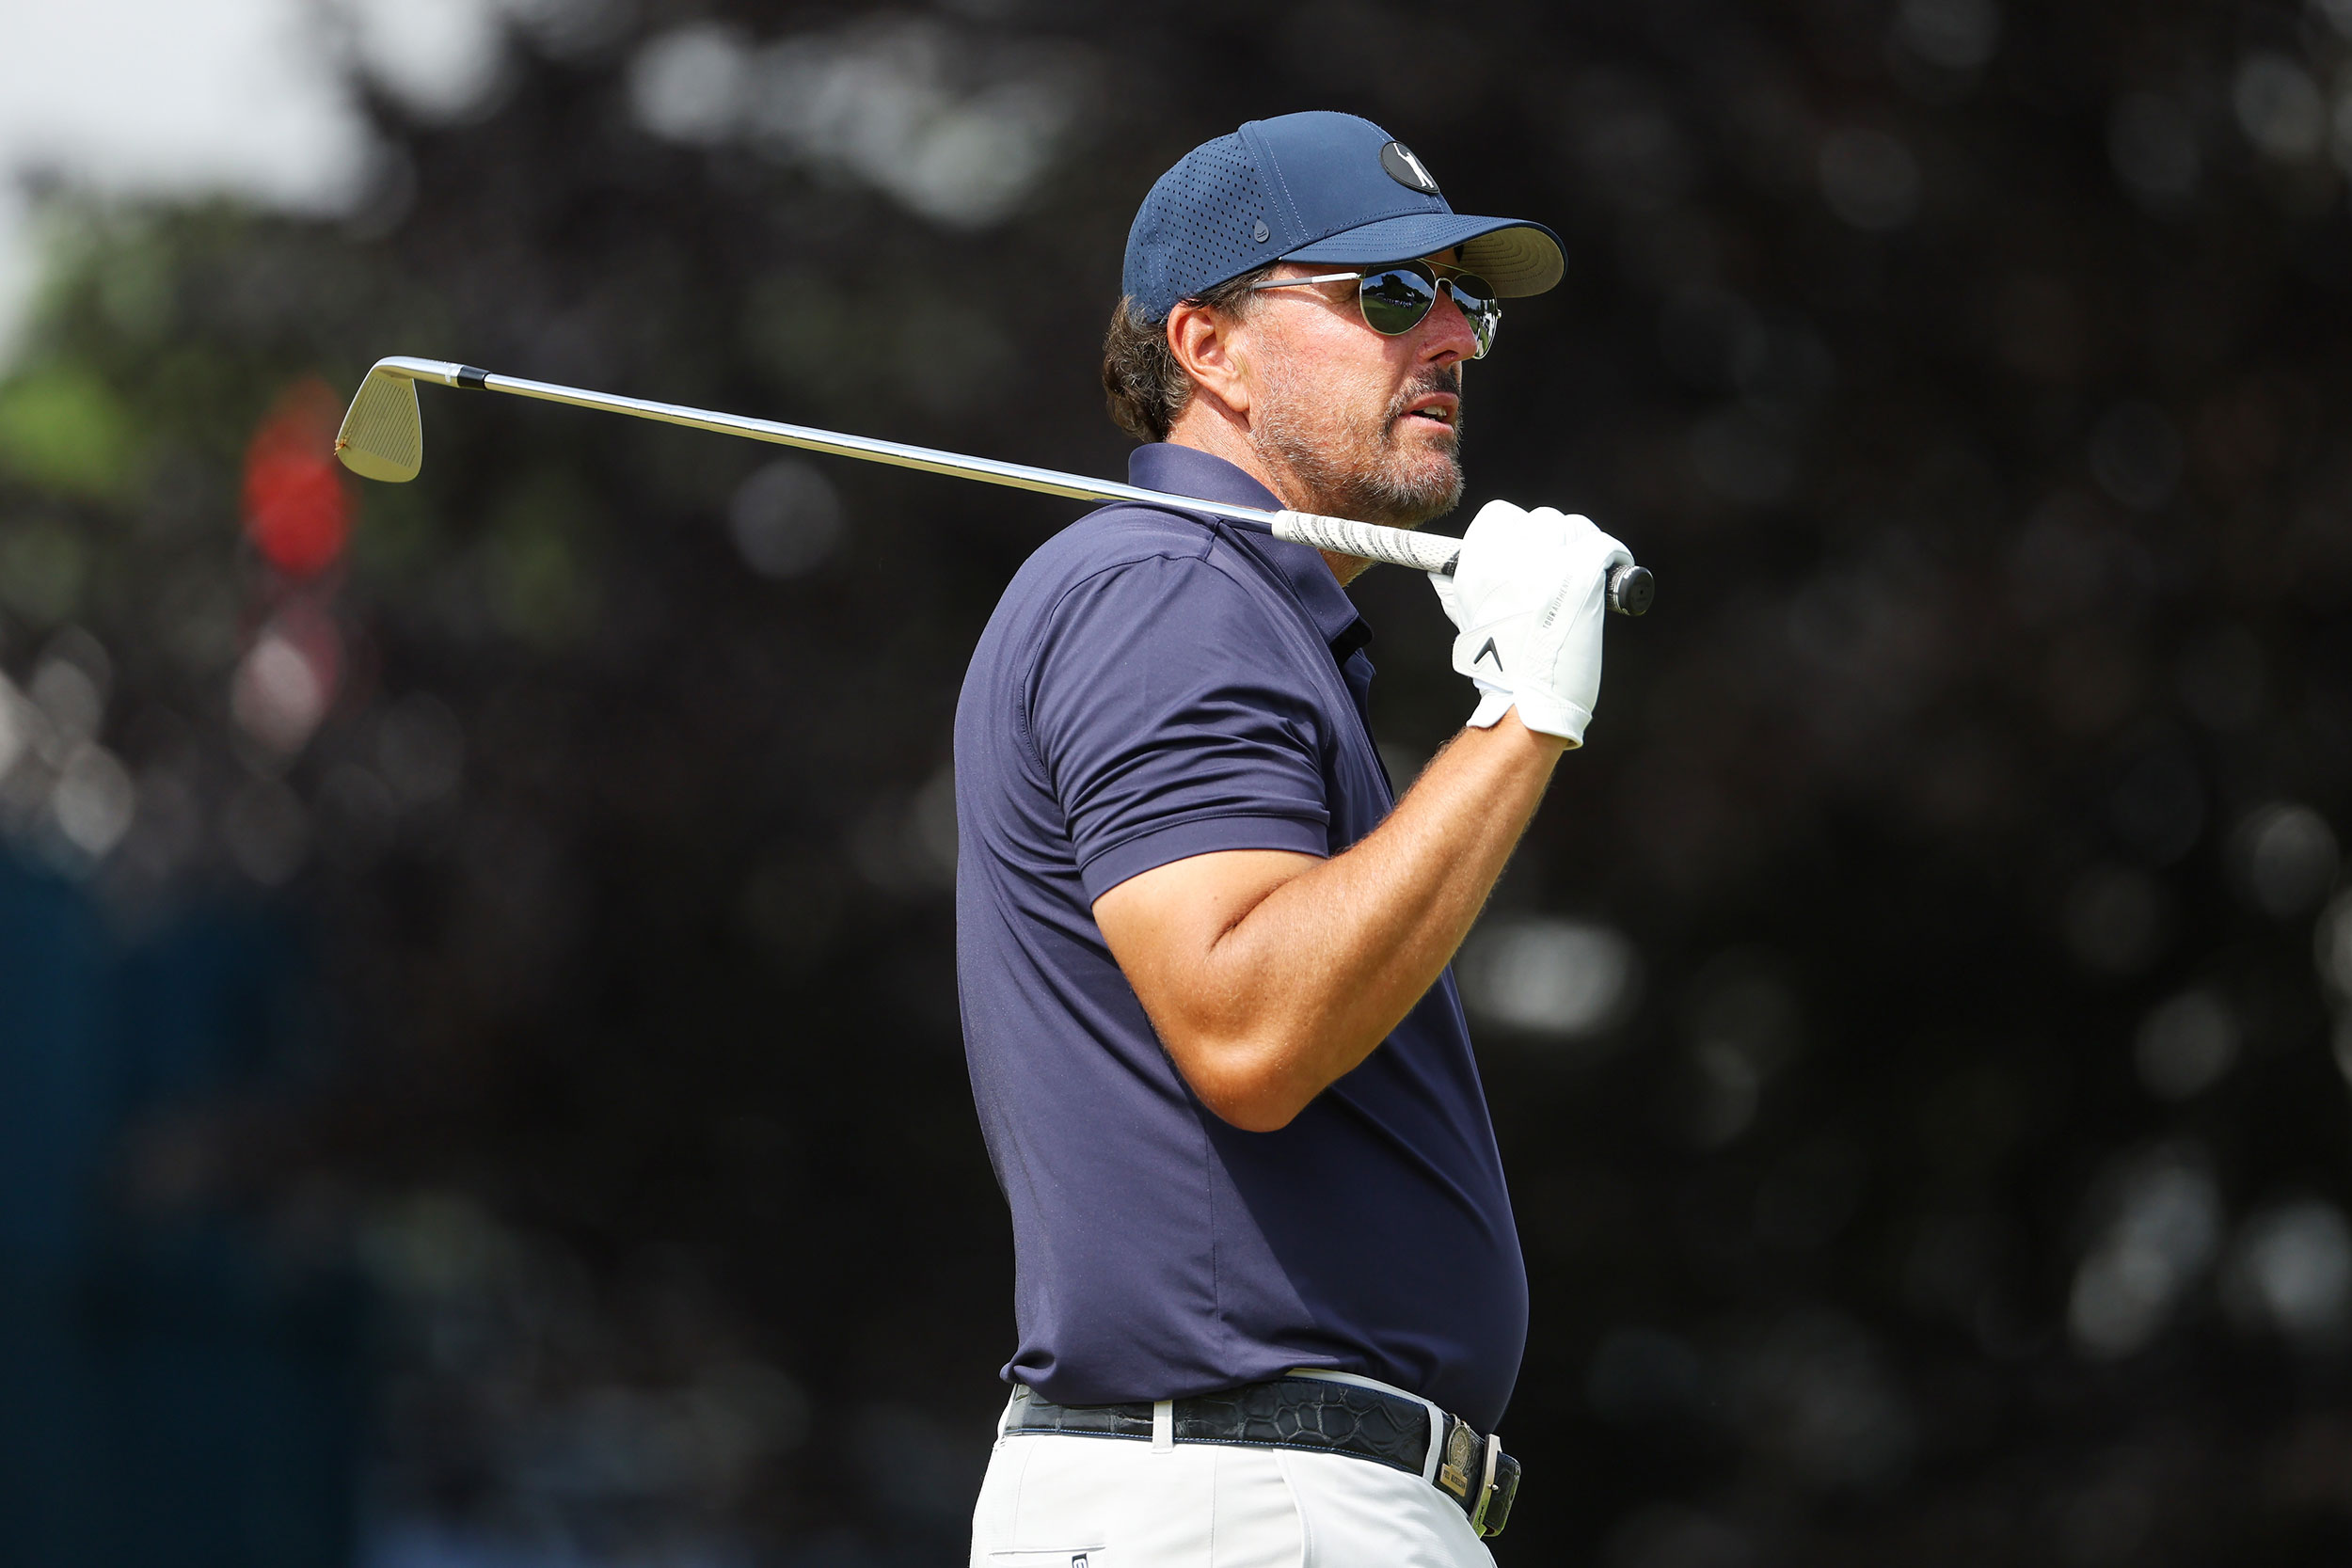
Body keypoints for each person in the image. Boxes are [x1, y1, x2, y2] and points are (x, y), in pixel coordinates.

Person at [954, 111, 1631, 1566]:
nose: (1448, 334)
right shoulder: (1165, 593)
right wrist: (1524, 716)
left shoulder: (1222, 607)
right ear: (1209, 347)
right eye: (1389, 294)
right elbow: (1249, 1026)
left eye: (1466, 299)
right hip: (1242, 1500)